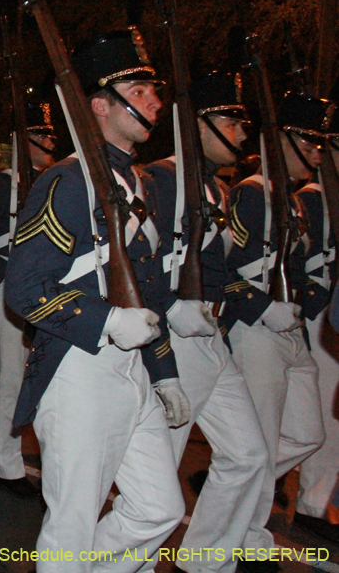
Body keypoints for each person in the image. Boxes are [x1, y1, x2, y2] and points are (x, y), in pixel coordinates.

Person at [5, 30, 187, 573]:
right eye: (139, 87)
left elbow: (149, 290)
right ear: (101, 106)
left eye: (153, 88)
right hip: (79, 368)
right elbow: (23, 289)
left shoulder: (139, 182)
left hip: (133, 371)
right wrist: (106, 319)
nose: (154, 100)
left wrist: (166, 370)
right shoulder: (65, 182)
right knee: (73, 524)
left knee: (159, 509)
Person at [145, 71, 268, 573]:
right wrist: (168, 307)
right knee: (157, 475)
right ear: (195, 126)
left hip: (212, 336)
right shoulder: (159, 179)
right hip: (175, 336)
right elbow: (133, 258)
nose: (241, 133)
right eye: (229, 120)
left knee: (249, 455)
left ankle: (204, 561)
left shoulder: (216, 188)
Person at [224, 91, 327, 572]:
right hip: (258, 331)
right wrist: (264, 308)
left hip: (292, 333)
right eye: (309, 141)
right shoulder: (250, 191)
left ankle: (235, 483)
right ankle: (247, 539)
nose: (318, 151)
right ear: (281, 140)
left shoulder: (291, 199)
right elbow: (226, 266)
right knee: (262, 441)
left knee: (307, 433)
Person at [0, 101, 59, 500]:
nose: (48, 142)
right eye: (39, 136)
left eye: (49, 136)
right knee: (11, 378)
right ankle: (6, 465)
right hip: (9, 290)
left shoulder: (54, 181)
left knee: (40, 378)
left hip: (48, 291)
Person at [290, 96, 339, 545]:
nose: (320, 153)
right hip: (317, 319)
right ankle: (307, 503)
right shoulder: (311, 199)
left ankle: (316, 502)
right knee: (320, 419)